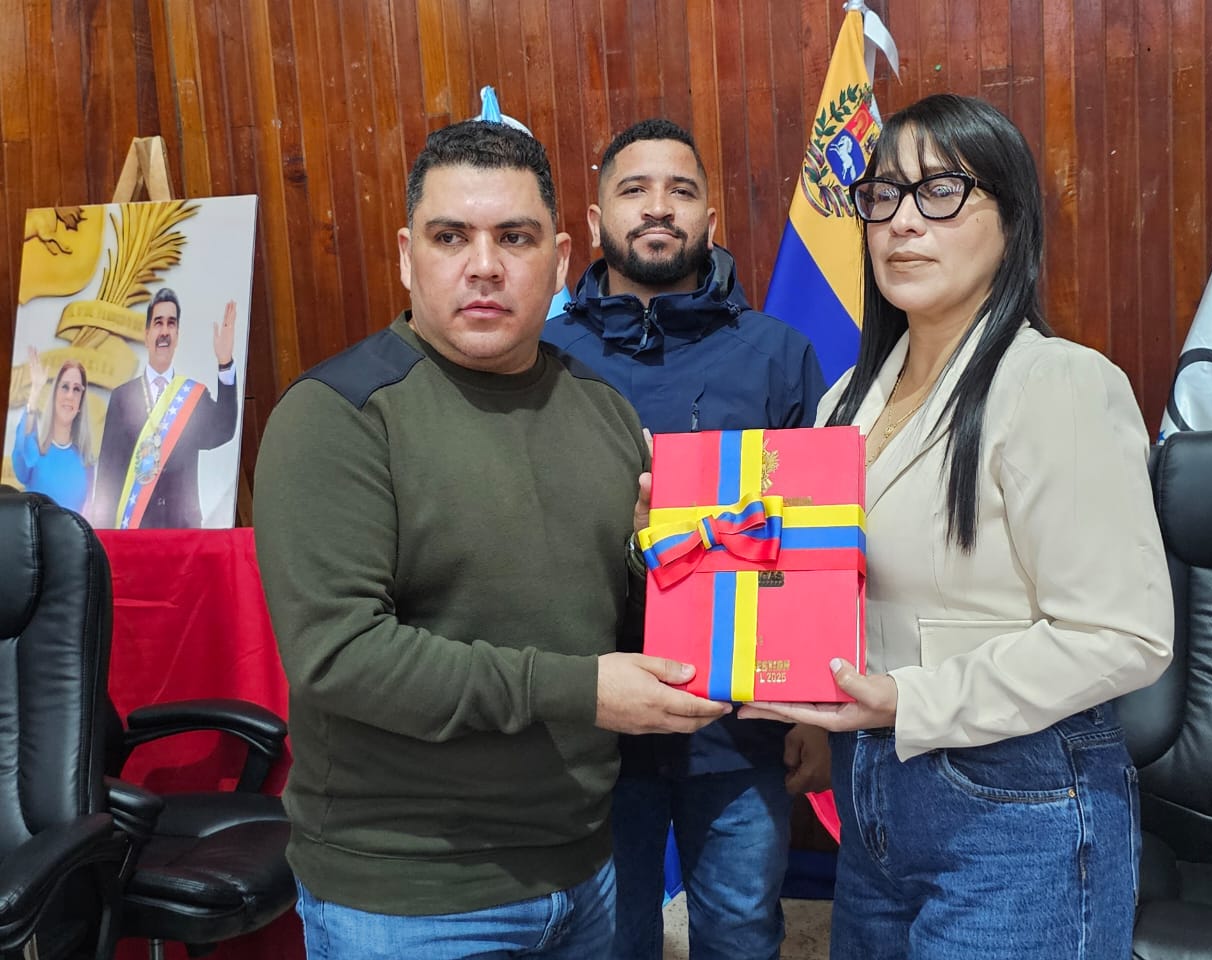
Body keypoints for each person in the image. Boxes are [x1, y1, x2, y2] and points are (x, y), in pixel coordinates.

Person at [252, 119, 729, 960]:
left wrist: (654, 561)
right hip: (411, 895)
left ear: (560, 257)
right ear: (408, 257)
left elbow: (610, 622)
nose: (483, 265)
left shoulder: (605, 412)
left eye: (515, 237)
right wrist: (580, 691)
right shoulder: (338, 415)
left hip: (586, 868)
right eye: (450, 237)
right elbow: (341, 657)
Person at [737, 93, 1175, 959]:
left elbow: (1124, 635)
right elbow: (828, 582)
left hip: (1019, 804)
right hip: (873, 795)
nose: (902, 222)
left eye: (941, 192)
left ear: (1011, 222)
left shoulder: (1058, 383)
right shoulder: (844, 401)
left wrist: (911, 699)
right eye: (883, 195)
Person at [543, 118, 829, 960]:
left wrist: (814, 714)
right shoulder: (543, 357)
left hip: (741, 726)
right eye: (634, 189)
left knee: (741, 930)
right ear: (595, 220)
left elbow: (815, 551)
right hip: (592, 721)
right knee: (610, 938)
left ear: (711, 218)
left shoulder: (779, 355)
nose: (658, 207)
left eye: (681, 190)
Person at [93, 288, 239, 528]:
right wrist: (106, 536)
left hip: (182, 530)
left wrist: (225, 364)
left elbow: (223, 430)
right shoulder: (122, 397)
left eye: (171, 324)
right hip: (135, 530)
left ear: (177, 336)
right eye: (158, 323)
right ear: (147, 335)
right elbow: (108, 472)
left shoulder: (193, 396)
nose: (164, 331)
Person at [11, 349, 95, 513]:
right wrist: (35, 393)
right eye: (64, 387)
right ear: (55, 394)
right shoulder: (34, 452)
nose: (70, 395)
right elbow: (21, 459)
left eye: (76, 389)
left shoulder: (87, 463)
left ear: (80, 403)